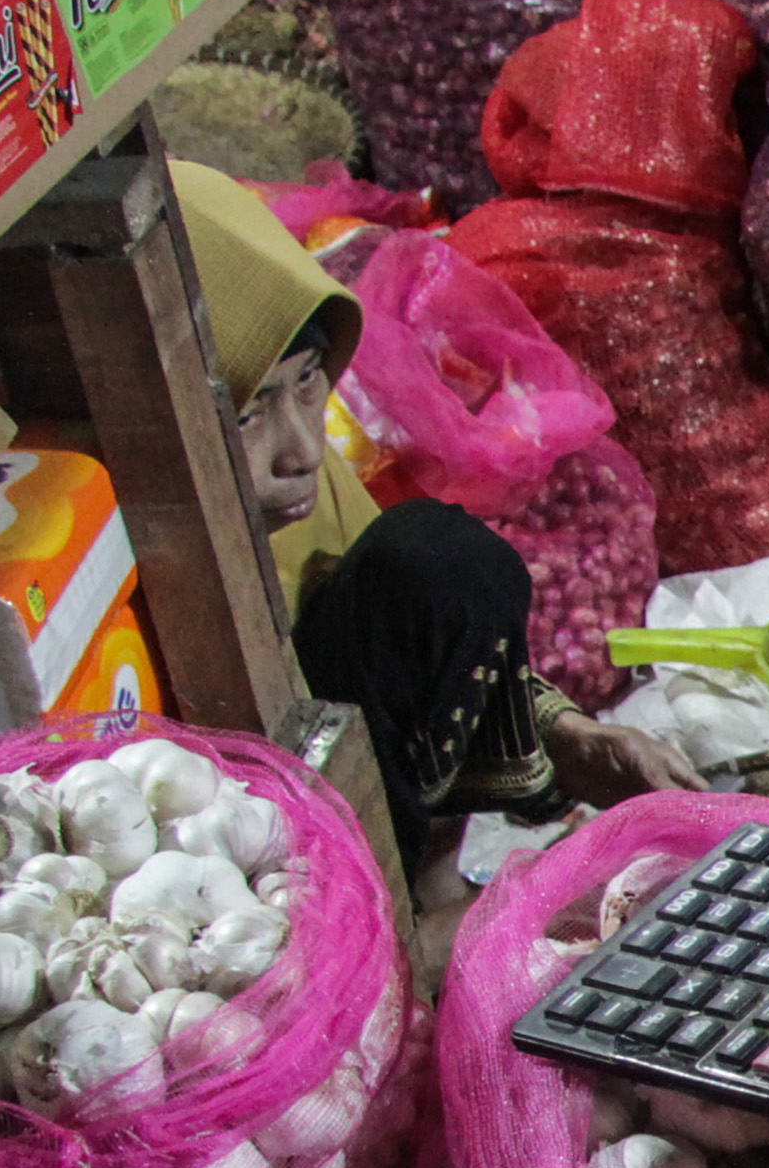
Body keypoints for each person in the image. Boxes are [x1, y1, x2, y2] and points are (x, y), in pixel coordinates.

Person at [173, 162, 694, 869]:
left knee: (440, 561)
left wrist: (569, 738)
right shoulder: (120, 558)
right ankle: (394, 915)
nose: (301, 449)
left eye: (304, 384)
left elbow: (402, 635)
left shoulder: (299, 477)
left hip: (351, 773)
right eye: (247, 410)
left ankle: (421, 882)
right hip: (230, 851)